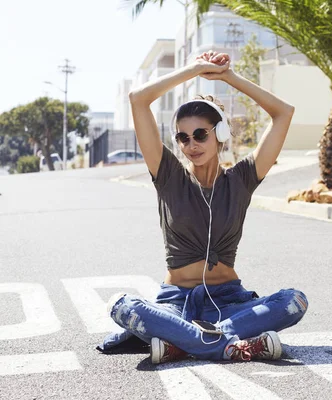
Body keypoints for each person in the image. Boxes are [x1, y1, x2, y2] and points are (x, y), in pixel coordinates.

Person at [100, 51, 308, 364]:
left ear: (220, 134)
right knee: (121, 305)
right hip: (174, 302)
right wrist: (195, 69)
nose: (191, 145)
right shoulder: (169, 176)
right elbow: (139, 99)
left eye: (200, 134)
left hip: (229, 301)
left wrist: (228, 77)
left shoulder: (241, 179)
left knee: (294, 301)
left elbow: (284, 113)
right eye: (183, 138)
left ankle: (182, 342)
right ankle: (226, 345)